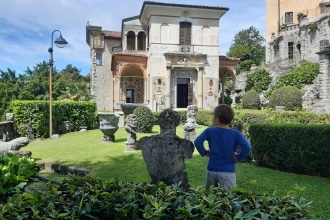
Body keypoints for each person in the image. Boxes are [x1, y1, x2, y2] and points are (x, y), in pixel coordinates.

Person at [194, 104, 252, 191]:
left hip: (212, 170)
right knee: (229, 198)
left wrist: (204, 152)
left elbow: (197, 141)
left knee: (210, 198)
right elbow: (247, 147)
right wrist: (238, 156)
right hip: (227, 172)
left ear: (217, 119)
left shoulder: (209, 131)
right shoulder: (235, 134)